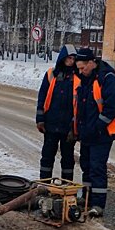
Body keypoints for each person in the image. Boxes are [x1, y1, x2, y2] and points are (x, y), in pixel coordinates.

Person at [75, 48, 115, 217]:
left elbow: (111, 107)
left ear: (91, 63)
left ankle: (98, 204)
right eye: (79, 69)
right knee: (86, 166)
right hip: (88, 133)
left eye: (83, 68)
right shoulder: (86, 79)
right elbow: (81, 107)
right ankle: (86, 198)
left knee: (97, 168)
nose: (81, 72)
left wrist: (97, 127)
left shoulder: (107, 79)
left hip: (102, 134)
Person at [36, 44, 79, 181]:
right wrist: (40, 119)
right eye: (68, 58)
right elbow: (42, 97)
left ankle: (66, 187)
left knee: (67, 159)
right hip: (51, 123)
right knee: (47, 156)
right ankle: (44, 184)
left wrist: (76, 127)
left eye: (73, 59)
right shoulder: (51, 74)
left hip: (68, 126)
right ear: (62, 58)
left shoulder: (78, 77)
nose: (71, 61)